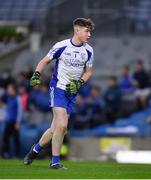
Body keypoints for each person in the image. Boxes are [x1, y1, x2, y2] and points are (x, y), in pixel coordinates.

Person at [23, 17, 95, 169]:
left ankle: (34, 150)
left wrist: (79, 83)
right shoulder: (61, 46)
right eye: (87, 31)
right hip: (58, 88)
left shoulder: (89, 50)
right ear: (77, 30)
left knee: (55, 128)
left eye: (90, 31)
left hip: (72, 92)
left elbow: (88, 72)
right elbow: (43, 61)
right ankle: (55, 162)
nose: (89, 35)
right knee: (62, 125)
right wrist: (36, 74)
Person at [2, 83, 22, 158]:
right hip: (8, 121)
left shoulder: (17, 98)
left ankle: (16, 155)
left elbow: (20, 111)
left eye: (9, 88)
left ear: (13, 89)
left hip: (14, 122)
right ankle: (6, 154)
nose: (7, 90)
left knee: (15, 138)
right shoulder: (8, 98)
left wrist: (18, 122)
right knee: (5, 138)